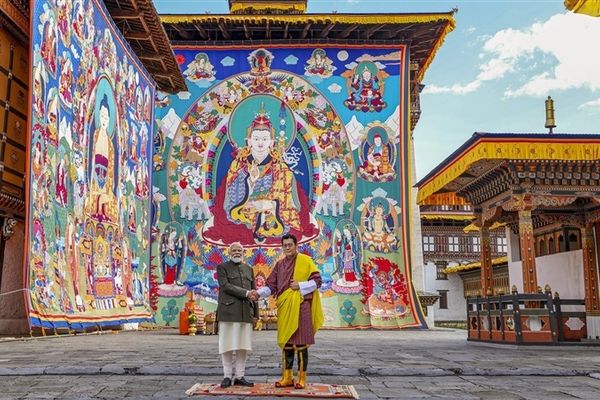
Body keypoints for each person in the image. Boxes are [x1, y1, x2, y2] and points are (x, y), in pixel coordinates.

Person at [252, 234, 323, 389]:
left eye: (290, 245)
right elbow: (271, 286)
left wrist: (301, 285)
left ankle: (302, 378)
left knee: (302, 343)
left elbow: (318, 281)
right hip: (285, 307)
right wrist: (258, 293)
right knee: (287, 344)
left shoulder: (305, 261)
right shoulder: (279, 265)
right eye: (285, 245)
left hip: (302, 306)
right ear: (282, 247)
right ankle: (287, 377)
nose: (287, 248)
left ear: (296, 245)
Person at [216, 242, 258, 388]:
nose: (237, 252)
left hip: (245, 313)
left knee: (243, 346)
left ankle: (240, 376)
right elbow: (225, 286)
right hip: (228, 312)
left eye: (239, 250)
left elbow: (254, 292)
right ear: (229, 252)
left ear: (243, 252)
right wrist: (246, 293)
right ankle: (227, 376)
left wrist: (256, 314)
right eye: (234, 250)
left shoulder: (249, 269)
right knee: (227, 345)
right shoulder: (222, 267)